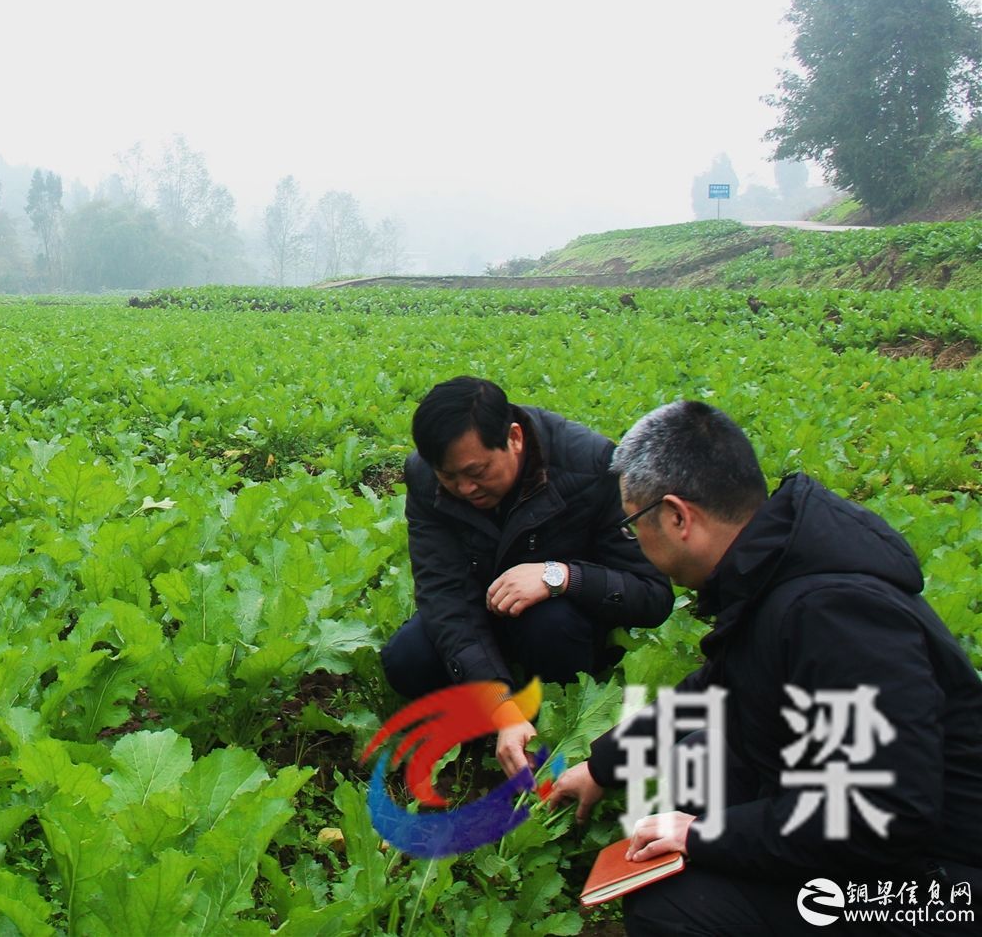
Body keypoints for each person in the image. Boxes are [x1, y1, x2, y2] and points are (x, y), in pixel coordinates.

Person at [548, 400, 982, 935]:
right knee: (700, 761)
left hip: (936, 890)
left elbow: (883, 812)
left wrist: (703, 836)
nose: (633, 541)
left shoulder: (831, 615)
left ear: (678, 516)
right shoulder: (772, 567)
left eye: (634, 524)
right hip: (892, 845)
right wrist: (604, 765)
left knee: (672, 907)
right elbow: (714, 692)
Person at [379, 377, 673, 774]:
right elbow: (445, 596)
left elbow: (652, 594)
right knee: (407, 658)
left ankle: (553, 726)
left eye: (476, 471)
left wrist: (562, 577)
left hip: (563, 623)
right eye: (449, 477)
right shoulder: (425, 477)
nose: (465, 488)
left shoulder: (592, 465)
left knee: (550, 624)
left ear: (514, 438)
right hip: (487, 615)